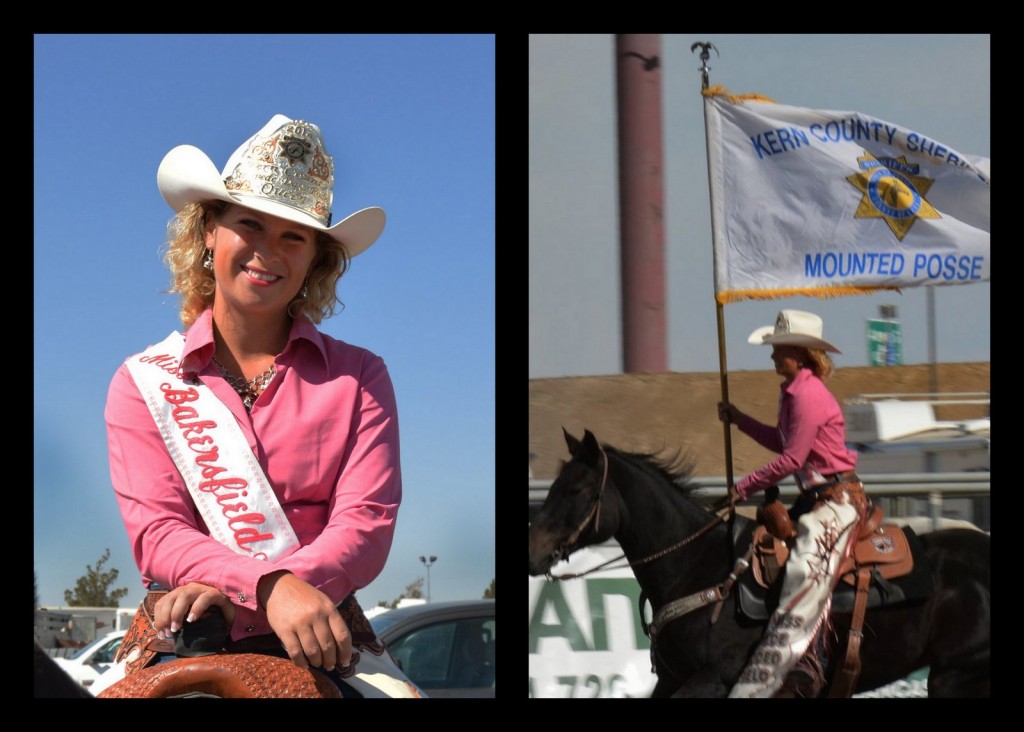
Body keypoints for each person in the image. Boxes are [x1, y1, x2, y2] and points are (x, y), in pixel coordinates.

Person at [98, 114, 420, 697]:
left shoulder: (361, 377)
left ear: (314, 260)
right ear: (208, 233)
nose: (267, 252)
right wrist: (266, 585)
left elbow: (365, 525)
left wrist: (289, 588)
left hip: (319, 628)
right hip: (183, 623)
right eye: (250, 225)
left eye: (293, 236)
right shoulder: (141, 382)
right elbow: (159, 532)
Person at [717, 309, 867, 698]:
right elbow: (785, 443)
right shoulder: (794, 392)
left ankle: (807, 659)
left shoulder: (809, 396)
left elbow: (792, 460)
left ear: (799, 354)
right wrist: (740, 420)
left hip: (837, 501)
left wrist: (744, 486)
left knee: (805, 565)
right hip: (814, 498)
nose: (771, 357)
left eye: (777, 349)